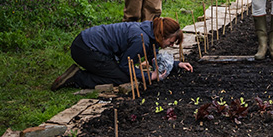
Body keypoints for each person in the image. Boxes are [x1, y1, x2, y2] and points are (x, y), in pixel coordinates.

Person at [50, 17, 194, 91]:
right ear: (162, 35)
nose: (170, 46)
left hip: (87, 43)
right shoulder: (141, 40)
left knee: (116, 71)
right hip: (86, 49)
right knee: (122, 77)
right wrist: (149, 76)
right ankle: (77, 78)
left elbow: (152, 56)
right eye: (170, 42)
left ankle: (93, 71)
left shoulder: (150, 31)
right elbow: (126, 66)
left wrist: (176, 65)